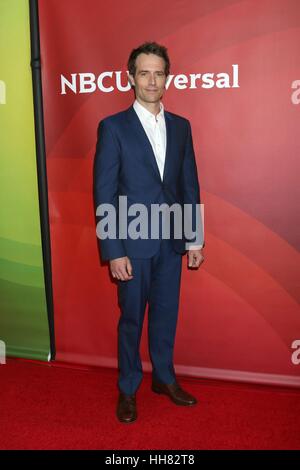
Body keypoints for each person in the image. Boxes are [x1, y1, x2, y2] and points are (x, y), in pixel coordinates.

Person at [93, 42, 205, 423]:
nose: (152, 80)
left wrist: (194, 238)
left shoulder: (182, 127)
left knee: (166, 315)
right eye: (144, 73)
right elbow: (104, 192)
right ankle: (128, 388)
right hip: (132, 243)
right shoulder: (112, 128)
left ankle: (164, 377)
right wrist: (114, 249)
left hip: (172, 241)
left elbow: (189, 184)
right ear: (131, 78)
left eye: (159, 73)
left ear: (167, 78)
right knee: (131, 319)